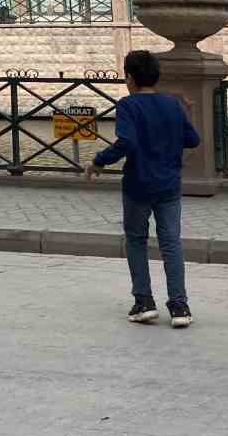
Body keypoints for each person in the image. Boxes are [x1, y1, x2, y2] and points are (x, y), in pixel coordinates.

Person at [85, 49, 201, 328]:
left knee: (137, 240)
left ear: (130, 78)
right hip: (169, 184)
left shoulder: (128, 105)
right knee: (171, 243)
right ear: (157, 76)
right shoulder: (173, 104)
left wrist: (98, 162)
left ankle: (144, 301)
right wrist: (184, 116)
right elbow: (193, 140)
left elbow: (127, 142)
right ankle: (179, 306)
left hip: (138, 184)